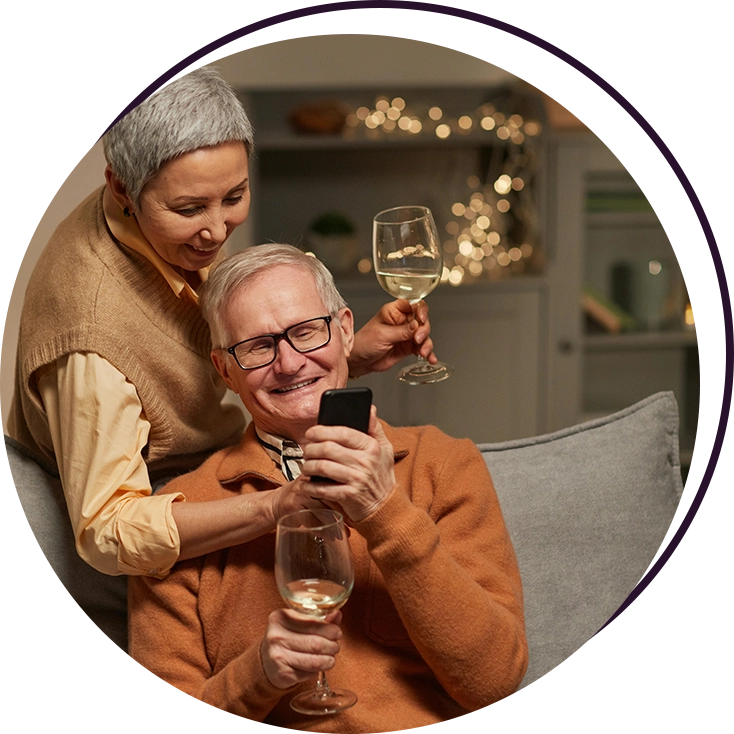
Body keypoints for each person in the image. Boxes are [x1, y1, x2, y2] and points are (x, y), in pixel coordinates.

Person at [6, 65, 435, 580]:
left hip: (215, 476)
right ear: (121, 187)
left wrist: (348, 354)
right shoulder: (90, 338)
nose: (215, 231)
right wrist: (278, 505)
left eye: (233, 197)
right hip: (143, 550)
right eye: (189, 209)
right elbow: (107, 534)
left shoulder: (159, 214)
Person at [128, 244, 528, 733]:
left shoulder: (443, 464)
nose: (290, 363)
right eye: (257, 346)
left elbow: (494, 681)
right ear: (224, 369)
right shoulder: (182, 519)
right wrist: (258, 676)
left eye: (305, 331)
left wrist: (384, 511)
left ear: (343, 331)